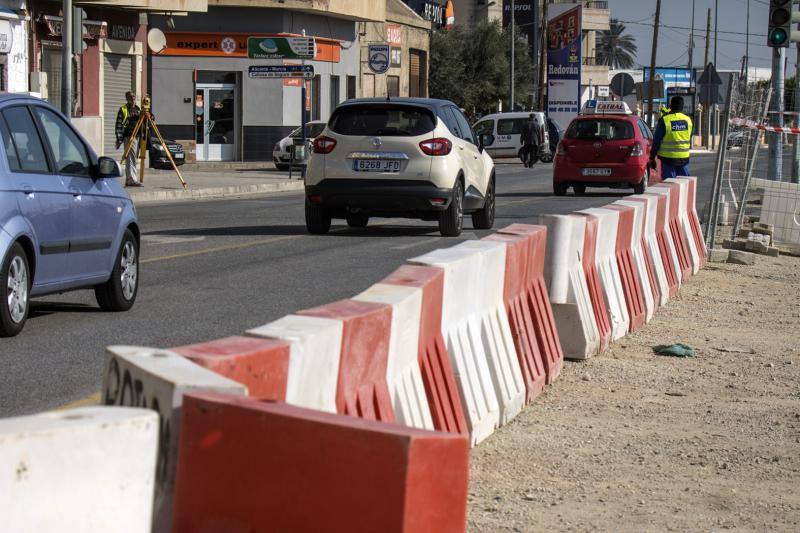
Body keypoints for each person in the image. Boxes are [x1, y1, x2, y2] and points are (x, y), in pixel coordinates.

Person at [649, 96, 693, 179]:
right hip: (684, 158)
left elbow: (656, 140)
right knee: (684, 182)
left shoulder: (665, 120)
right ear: (682, 107)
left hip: (667, 159)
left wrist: (652, 157)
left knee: (669, 183)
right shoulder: (688, 120)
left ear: (671, 106)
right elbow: (690, 136)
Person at [116, 91, 142, 187]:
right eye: (130, 97)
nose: (133, 98)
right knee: (131, 158)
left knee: (133, 158)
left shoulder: (138, 109)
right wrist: (119, 139)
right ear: (127, 98)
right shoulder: (124, 109)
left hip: (137, 136)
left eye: (134, 96)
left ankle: (129, 179)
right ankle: (132, 180)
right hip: (129, 136)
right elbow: (118, 125)